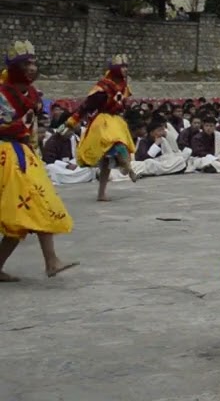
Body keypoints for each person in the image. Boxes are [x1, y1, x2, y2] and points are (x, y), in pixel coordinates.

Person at [0, 41, 77, 281]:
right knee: (28, 207)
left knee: (31, 207)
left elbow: (34, 127)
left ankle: (51, 261)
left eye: (33, 63)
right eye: (26, 64)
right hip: (5, 155)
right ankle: (51, 261)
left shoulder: (33, 95)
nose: (32, 68)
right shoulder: (2, 93)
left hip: (25, 155)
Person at [62, 54, 138, 201]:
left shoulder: (124, 86)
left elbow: (124, 105)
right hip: (103, 121)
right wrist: (72, 121)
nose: (125, 70)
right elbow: (86, 106)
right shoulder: (103, 87)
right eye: (122, 67)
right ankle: (128, 168)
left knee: (106, 162)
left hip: (116, 120)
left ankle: (101, 193)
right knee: (117, 142)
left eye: (126, 67)